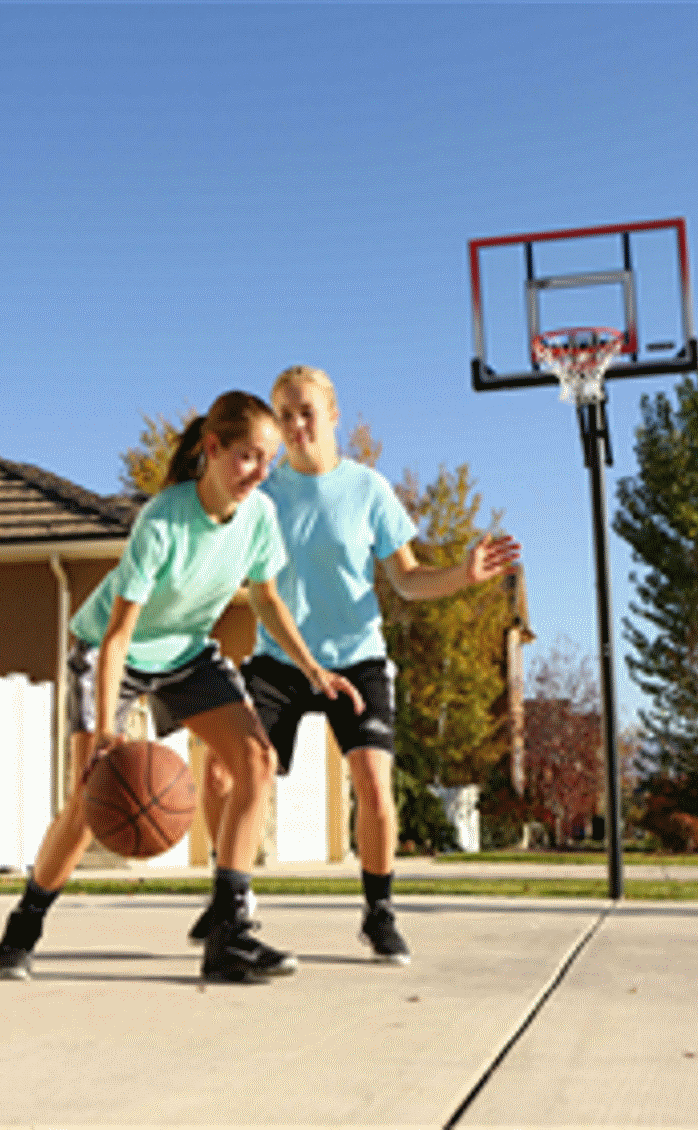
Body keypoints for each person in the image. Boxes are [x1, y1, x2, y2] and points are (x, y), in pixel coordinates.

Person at [0, 391, 363, 983]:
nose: (259, 473)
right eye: (246, 457)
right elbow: (117, 638)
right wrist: (106, 734)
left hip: (185, 652)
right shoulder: (163, 519)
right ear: (212, 449)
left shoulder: (259, 517)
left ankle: (229, 934)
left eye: (268, 460)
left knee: (257, 762)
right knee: (89, 800)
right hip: (111, 652)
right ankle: (22, 929)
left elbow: (266, 599)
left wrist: (313, 668)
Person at [190, 365, 521, 963]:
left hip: (358, 657)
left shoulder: (368, 490)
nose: (296, 425)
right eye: (284, 415)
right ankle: (232, 895)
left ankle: (379, 913)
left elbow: (408, 579)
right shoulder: (263, 493)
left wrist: (462, 575)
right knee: (220, 773)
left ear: (334, 415)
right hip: (282, 660)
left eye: (306, 412)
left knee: (372, 782)